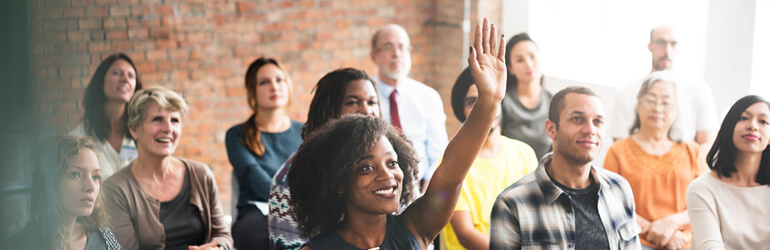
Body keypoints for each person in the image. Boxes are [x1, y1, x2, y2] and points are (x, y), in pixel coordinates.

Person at [289, 18, 506, 249]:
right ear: (339, 181)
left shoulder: (416, 227)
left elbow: (451, 175)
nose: (387, 175)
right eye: (366, 167)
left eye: (392, 163)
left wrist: (489, 100)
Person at [490, 86, 641, 249]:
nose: (591, 130)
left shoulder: (619, 189)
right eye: (577, 119)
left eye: (598, 122)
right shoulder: (512, 203)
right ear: (551, 129)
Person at [103, 86, 232, 250]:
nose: (168, 128)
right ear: (134, 130)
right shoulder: (115, 189)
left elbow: (222, 233)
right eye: (157, 119)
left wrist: (218, 248)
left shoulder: (201, 174)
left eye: (175, 120)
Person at [268, 68, 381, 249]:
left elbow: (412, 232)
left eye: (372, 102)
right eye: (353, 102)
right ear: (328, 110)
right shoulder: (292, 176)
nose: (367, 110)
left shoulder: (391, 167)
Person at [604, 71, 706, 250]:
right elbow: (610, 204)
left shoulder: (693, 152)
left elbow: (705, 204)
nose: (658, 108)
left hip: (684, 242)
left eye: (666, 102)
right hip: (634, 241)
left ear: (676, 110)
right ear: (638, 105)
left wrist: (672, 223)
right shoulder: (618, 151)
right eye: (651, 100)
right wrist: (656, 231)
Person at [439, 67, 538, 249]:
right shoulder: (451, 161)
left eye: (489, 99)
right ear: (462, 109)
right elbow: (465, 233)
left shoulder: (525, 154)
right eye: (472, 102)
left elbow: (535, 217)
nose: (483, 107)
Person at [225, 57, 303, 249]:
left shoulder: (307, 131)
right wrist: (290, 205)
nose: (274, 87)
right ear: (252, 91)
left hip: (304, 208)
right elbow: (253, 176)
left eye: (279, 80)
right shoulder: (237, 135)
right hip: (258, 212)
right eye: (264, 82)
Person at [609, 25, 718, 155]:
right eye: (661, 43)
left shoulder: (699, 90)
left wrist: (684, 169)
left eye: (673, 44)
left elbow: (708, 143)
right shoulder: (627, 93)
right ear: (650, 46)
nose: (667, 50)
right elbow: (620, 145)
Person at [686, 95, 770, 249]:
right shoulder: (702, 189)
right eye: (744, 118)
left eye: (763, 121)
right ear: (729, 127)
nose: (753, 126)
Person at [370, 23, 448, 184]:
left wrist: (427, 192)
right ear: (374, 56)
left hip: (419, 189)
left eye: (402, 47)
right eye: (388, 47)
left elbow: (439, 155)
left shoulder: (428, 97)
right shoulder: (365, 96)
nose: (397, 54)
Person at [16, 136, 121, 249]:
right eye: (75, 174)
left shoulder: (105, 238)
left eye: (95, 177)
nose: (91, 187)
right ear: (50, 181)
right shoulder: (21, 244)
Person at [70, 53, 143, 178]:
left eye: (130, 76)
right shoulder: (80, 137)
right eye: (116, 73)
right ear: (101, 81)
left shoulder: (142, 132)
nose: (125, 79)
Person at [500, 33, 553, 159]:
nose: (528, 64)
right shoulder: (503, 102)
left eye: (532, 57)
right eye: (520, 60)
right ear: (510, 68)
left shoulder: (553, 102)